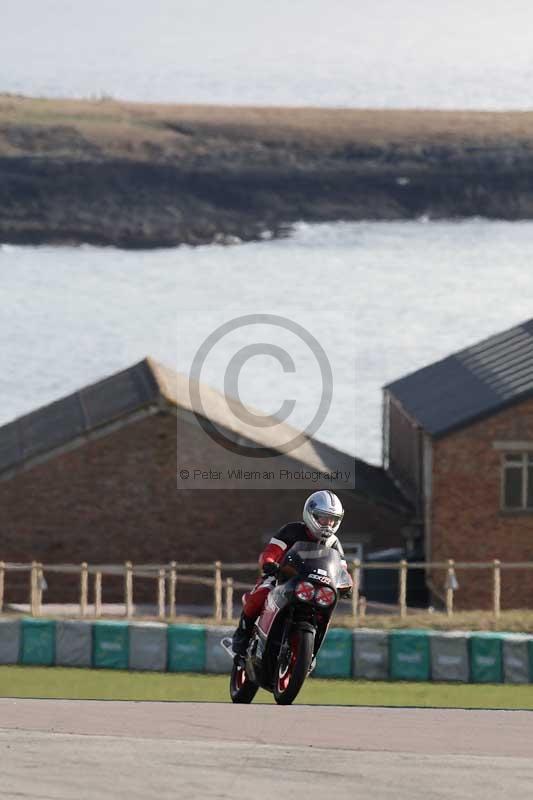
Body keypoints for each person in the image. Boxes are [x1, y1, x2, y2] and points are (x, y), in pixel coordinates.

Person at [231, 489, 353, 656]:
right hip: (282, 578)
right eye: (324, 518)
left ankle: (310, 653)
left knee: (326, 611)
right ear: (311, 514)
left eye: (333, 520)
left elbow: (342, 568)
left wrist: (347, 584)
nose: (328, 524)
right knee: (260, 595)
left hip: (315, 587)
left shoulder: (333, 542)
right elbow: (271, 551)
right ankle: (242, 634)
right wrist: (268, 563)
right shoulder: (292, 531)